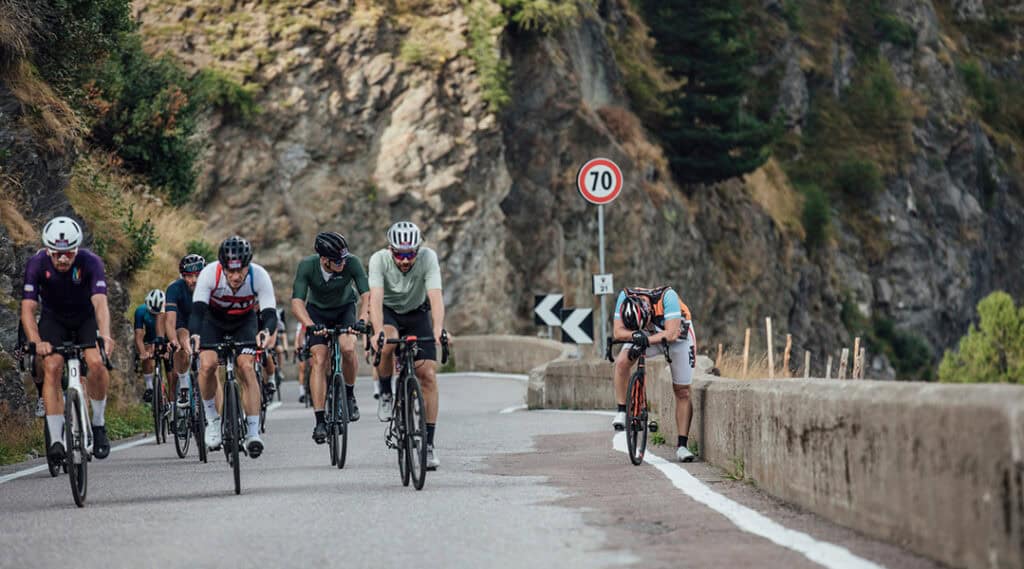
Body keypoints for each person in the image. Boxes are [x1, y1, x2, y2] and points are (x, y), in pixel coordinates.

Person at [20, 216, 115, 460]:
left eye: (69, 254)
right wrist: (36, 341)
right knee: (52, 366)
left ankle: (98, 424)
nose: (63, 259)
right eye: (57, 254)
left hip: (85, 319)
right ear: (48, 250)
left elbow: (100, 303)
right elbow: (28, 309)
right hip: (54, 320)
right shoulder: (36, 264)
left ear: (76, 249)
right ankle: (56, 440)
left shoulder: (91, 262)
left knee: (97, 363)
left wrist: (105, 335)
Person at [368, 221, 448, 470]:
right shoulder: (379, 260)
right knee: (387, 343)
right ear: (390, 249)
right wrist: (377, 331)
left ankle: (429, 445)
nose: (405, 260)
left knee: (428, 375)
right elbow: (375, 299)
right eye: (399, 254)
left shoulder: (428, 258)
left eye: (410, 254)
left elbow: (435, 296)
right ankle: (385, 392)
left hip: (417, 314)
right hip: (389, 313)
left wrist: (437, 328)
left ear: (418, 250)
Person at [188, 236, 277, 458]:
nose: (236, 277)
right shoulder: (210, 273)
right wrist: (195, 335)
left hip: (244, 322)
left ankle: (253, 433)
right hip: (213, 322)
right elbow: (197, 311)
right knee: (207, 365)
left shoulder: (259, 275)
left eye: (241, 270)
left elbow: (269, 313)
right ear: (223, 266)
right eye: (231, 271)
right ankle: (213, 421)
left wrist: (265, 331)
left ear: (248, 265)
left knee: (246, 367)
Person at [291, 231, 370, 443]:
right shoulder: (307, 266)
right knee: (318, 359)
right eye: (337, 261)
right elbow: (297, 303)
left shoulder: (352, 262)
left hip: (345, 309)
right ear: (324, 259)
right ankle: (319, 421)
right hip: (317, 312)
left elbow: (366, 295)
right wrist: (310, 325)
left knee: (348, 348)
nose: (343, 263)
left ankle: (349, 395)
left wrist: (362, 320)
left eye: (344, 258)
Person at [611, 286, 697, 462]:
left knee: (682, 391)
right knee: (621, 362)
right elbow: (618, 332)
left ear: (649, 311)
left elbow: (671, 334)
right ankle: (622, 410)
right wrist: (637, 335)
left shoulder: (668, 297)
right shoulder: (624, 296)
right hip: (645, 334)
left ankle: (682, 446)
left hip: (678, 337)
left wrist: (645, 340)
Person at [163, 254, 206, 408]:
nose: (194, 280)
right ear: (183, 276)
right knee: (182, 339)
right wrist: (173, 341)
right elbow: (170, 321)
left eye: (197, 275)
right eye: (189, 276)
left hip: (203, 322)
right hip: (182, 322)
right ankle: (184, 387)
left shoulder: (210, 287)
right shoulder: (174, 289)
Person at [135, 289, 164, 403]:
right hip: (149, 338)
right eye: (152, 312)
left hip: (164, 337)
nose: (154, 315)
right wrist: (143, 353)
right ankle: (149, 387)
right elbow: (138, 336)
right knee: (145, 354)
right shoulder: (141, 311)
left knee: (172, 370)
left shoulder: (168, 310)